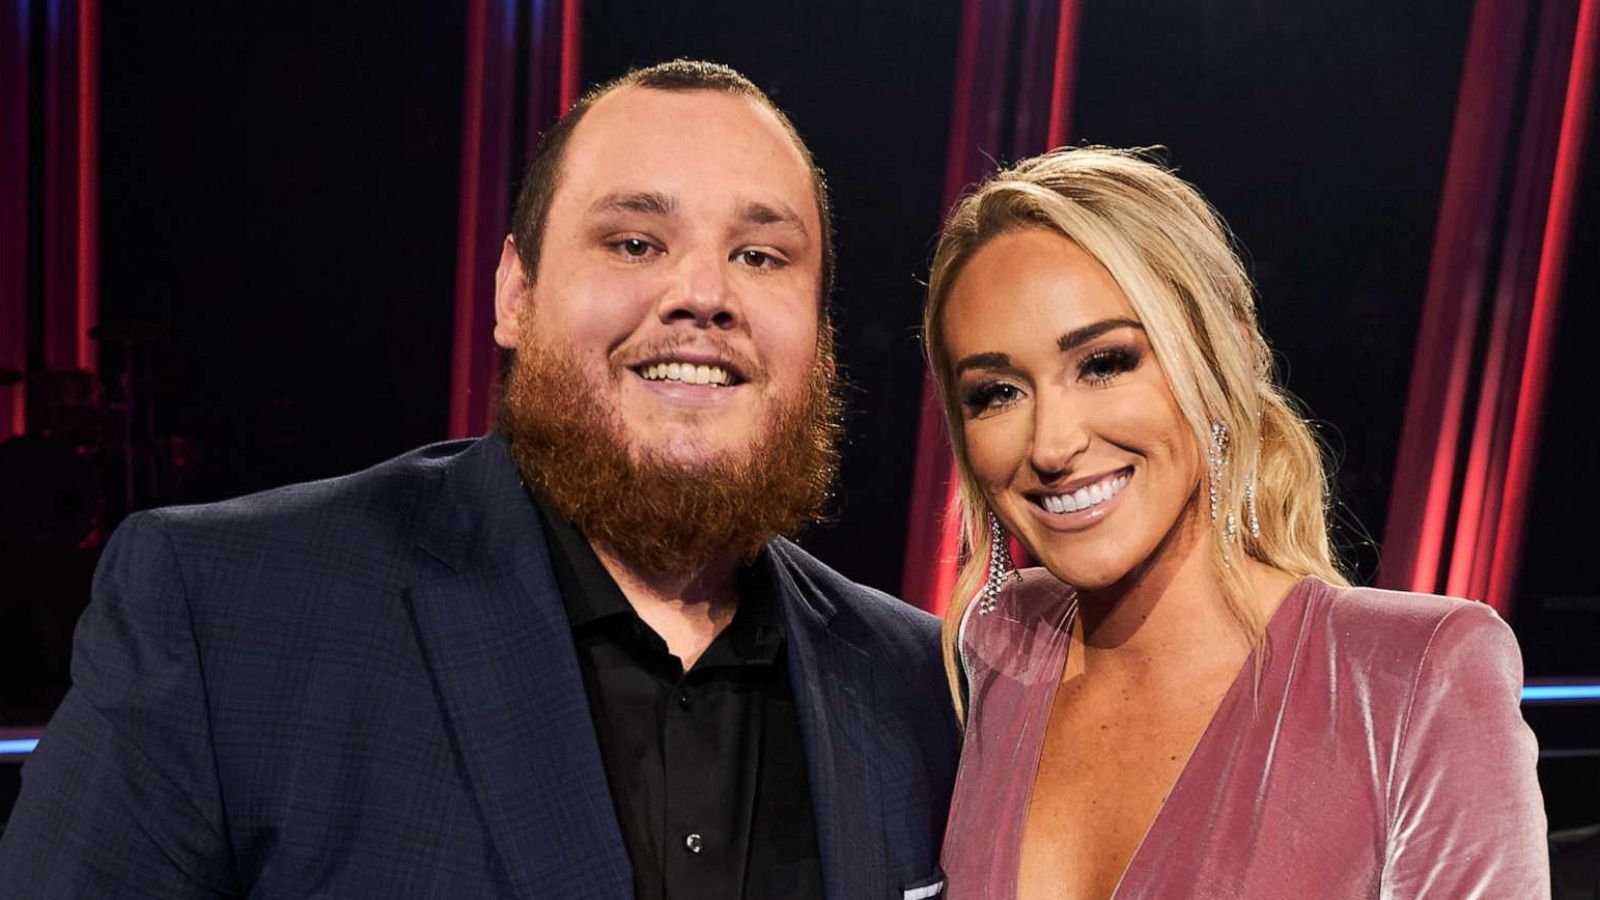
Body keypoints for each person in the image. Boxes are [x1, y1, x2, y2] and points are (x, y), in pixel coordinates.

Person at [0, 60, 959, 899]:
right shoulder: (225, 615)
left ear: (820, 332)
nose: (704, 294)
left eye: (762, 256)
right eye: (634, 242)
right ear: (515, 292)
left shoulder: (922, 683)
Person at [923, 146, 1548, 898]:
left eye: (1105, 363)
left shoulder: (1414, 679)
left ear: (1225, 365)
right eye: (996, 393)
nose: (1053, 444)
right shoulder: (993, 652)